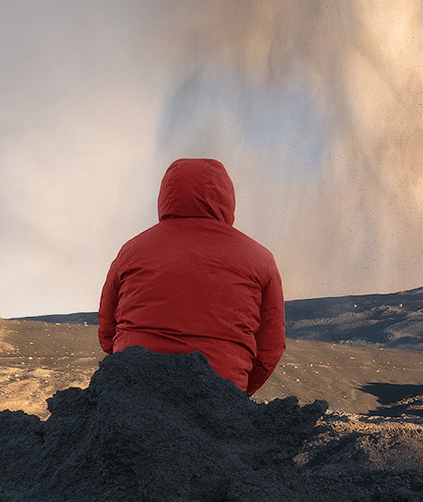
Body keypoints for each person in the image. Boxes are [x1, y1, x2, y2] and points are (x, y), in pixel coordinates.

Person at [98, 157, 286, 395]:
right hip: (218, 392)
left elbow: (107, 329)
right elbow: (270, 346)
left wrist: (125, 361)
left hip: (133, 387)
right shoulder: (260, 259)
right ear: (227, 197)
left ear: (166, 195)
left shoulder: (131, 250)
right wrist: (237, 393)